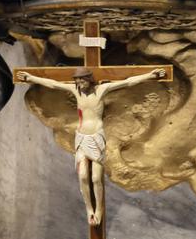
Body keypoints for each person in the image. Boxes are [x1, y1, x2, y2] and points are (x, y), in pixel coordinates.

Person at [16, 66, 166, 226]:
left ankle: (99, 210)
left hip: (96, 138)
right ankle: (89, 209)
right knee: (82, 176)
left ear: (89, 79)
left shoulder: (101, 90)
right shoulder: (75, 90)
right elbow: (53, 84)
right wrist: (31, 78)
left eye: (81, 80)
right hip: (81, 138)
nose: (79, 83)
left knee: (95, 178)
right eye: (77, 81)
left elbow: (127, 82)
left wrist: (150, 75)